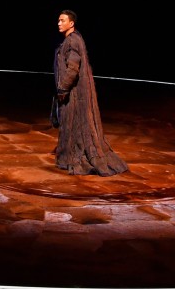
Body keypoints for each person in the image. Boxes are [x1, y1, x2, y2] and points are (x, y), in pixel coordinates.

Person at [49, 10, 129, 176]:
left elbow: (73, 68)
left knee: (76, 125)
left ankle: (75, 155)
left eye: (62, 20)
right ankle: (66, 153)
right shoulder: (70, 40)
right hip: (72, 93)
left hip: (75, 94)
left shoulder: (73, 41)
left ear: (71, 23)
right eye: (58, 20)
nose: (58, 23)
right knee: (70, 124)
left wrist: (63, 88)